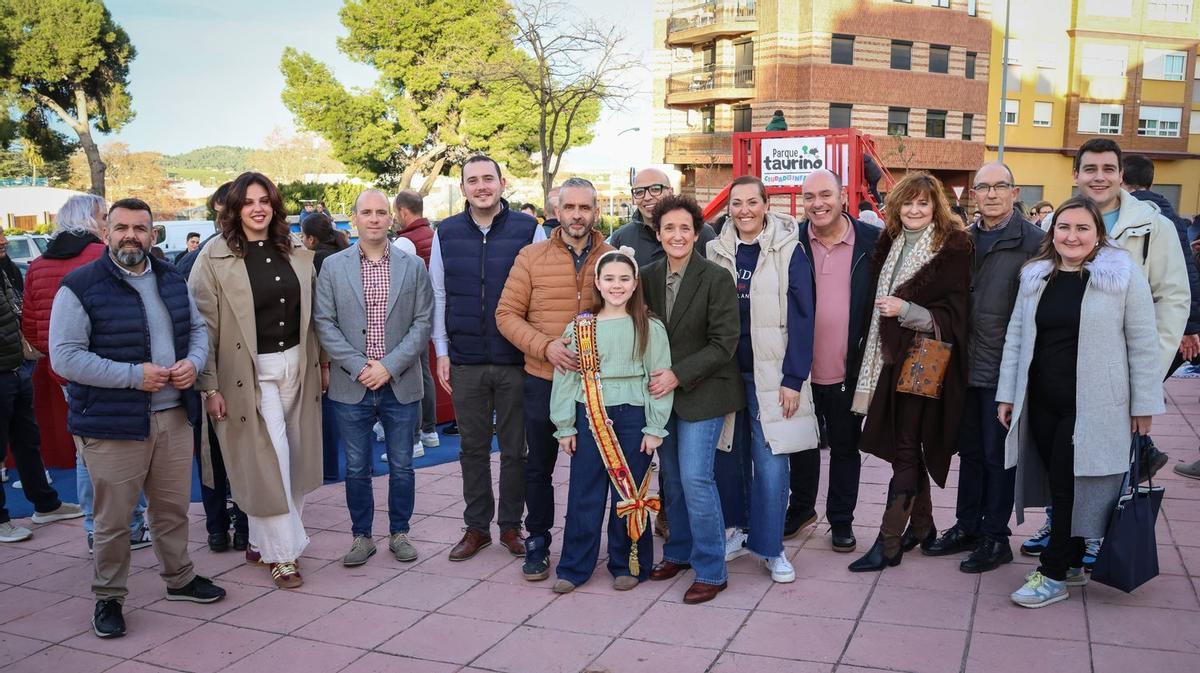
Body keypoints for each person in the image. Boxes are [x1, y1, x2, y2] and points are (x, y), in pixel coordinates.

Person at [50, 197, 224, 637]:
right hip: (112, 424)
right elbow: (65, 358)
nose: (131, 235)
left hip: (172, 417)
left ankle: (180, 579)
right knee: (114, 521)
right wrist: (133, 376)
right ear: (105, 232)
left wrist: (193, 362)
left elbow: (198, 331)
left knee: (172, 511)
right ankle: (108, 597)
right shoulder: (80, 286)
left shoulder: (171, 277)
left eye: (140, 228)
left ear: (153, 234)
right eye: (122, 227)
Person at [1021, 139, 1189, 562]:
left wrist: (1148, 376)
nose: (1099, 176)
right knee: (1064, 462)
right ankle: (1065, 528)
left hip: (1120, 368)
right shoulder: (1059, 223)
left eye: (1108, 168)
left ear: (1121, 174)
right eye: (1090, 168)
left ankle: (1090, 537)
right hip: (1063, 372)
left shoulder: (1154, 226)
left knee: (1105, 463)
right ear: (1076, 174)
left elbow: (1172, 299)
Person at [998, 196, 1162, 607]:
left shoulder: (1121, 276)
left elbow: (1143, 344)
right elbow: (1017, 337)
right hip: (1041, 402)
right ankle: (1071, 561)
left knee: (1071, 485)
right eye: (1064, 228)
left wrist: (1144, 406)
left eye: (1082, 228)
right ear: (1052, 233)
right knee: (1059, 485)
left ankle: (1052, 574)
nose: (1072, 236)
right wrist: (1007, 394)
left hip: (1095, 405)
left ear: (1097, 234)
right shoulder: (1035, 277)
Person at [189, 172, 324, 589]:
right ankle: (283, 555)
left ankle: (265, 542)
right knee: (271, 464)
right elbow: (202, 328)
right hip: (248, 376)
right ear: (234, 209)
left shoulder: (296, 248)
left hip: (297, 369)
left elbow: (313, 315)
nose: (258, 208)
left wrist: (322, 366)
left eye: (264, 200)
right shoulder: (212, 256)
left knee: (296, 461)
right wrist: (209, 387)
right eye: (248, 202)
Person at [922, 162, 1045, 573]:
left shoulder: (1034, 242)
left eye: (999, 186)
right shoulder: (963, 240)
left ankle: (996, 536)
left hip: (1003, 368)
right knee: (970, 452)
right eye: (983, 187)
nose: (991, 194)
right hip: (962, 367)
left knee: (997, 455)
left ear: (1014, 191)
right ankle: (967, 525)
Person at [849, 171, 971, 572]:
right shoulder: (890, 242)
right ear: (896, 207)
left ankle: (887, 544)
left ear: (936, 206)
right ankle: (922, 528)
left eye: (923, 203)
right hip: (887, 360)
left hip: (926, 361)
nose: (915, 210)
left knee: (905, 447)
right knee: (906, 446)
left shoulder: (954, 246)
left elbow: (957, 314)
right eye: (908, 203)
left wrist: (908, 312)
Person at [496, 176, 614, 581]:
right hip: (544, 378)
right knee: (539, 467)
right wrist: (545, 346)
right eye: (570, 207)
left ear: (595, 212)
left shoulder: (612, 257)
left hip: (597, 385)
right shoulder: (531, 257)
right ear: (556, 211)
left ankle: (587, 549)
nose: (577, 215)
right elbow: (506, 315)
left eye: (585, 208)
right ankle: (538, 542)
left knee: (595, 470)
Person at [21, 194, 149, 552]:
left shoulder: (37, 265)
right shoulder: (102, 258)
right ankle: (132, 524)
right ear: (94, 222)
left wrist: (60, 359)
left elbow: (31, 325)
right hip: (114, 368)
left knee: (86, 448)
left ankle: (95, 528)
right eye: (105, 216)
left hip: (65, 372)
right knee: (126, 445)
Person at [315, 189, 432, 568]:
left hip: (399, 382)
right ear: (354, 218)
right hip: (353, 384)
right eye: (366, 212)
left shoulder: (411, 266)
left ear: (391, 218)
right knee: (355, 467)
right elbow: (324, 324)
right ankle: (361, 537)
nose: (375, 219)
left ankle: (400, 533)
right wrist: (360, 366)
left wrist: (388, 366)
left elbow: (422, 322)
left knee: (402, 465)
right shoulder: (333, 267)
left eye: (381, 212)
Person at [432, 157, 542, 562]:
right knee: (473, 450)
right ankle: (477, 528)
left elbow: (540, 294)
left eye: (488, 179)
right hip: (466, 360)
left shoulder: (529, 230)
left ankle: (511, 526)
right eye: (472, 180)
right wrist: (442, 352)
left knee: (516, 450)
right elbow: (438, 296)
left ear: (502, 183)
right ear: (462, 188)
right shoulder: (445, 232)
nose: (481, 187)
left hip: (517, 360)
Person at [708, 175, 816, 584]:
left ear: (766, 204)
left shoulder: (790, 249)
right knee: (728, 458)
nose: (744, 211)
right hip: (725, 374)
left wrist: (793, 377)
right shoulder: (714, 251)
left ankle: (772, 547)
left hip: (771, 374)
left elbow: (804, 318)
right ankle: (738, 529)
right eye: (736, 203)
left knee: (770, 460)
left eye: (752, 202)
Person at [549, 248, 672, 593]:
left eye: (624, 279)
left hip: (633, 416)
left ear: (635, 284)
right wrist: (564, 426)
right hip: (589, 415)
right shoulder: (580, 327)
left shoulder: (649, 327)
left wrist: (654, 427)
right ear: (598, 285)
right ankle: (574, 567)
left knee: (630, 493)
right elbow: (566, 378)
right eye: (609, 279)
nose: (616, 285)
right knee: (584, 492)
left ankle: (628, 562)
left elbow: (659, 378)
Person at [642, 194, 743, 603]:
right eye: (670, 228)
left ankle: (712, 569)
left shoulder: (717, 277)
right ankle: (679, 551)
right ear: (658, 232)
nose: (678, 235)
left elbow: (725, 343)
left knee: (696, 478)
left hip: (704, 391)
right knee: (672, 481)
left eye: (685, 228)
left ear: (697, 233)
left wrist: (678, 375)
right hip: (660, 399)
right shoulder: (645, 276)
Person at [786, 170, 881, 552]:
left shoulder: (873, 241)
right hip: (800, 370)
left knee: (845, 447)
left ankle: (841, 520)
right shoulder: (790, 241)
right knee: (802, 446)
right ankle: (802, 509)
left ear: (842, 196)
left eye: (825, 194)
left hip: (849, 367)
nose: (817, 203)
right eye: (809, 196)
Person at [393, 190, 440, 453]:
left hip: (410, 316)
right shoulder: (434, 236)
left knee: (409, 376)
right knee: (424, 373)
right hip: (430, 311)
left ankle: (414, 439)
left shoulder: (404, 243)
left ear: (402, 211)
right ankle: (429, 430)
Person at [609, 168, 717, 267]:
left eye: (655, 189)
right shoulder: (621, 238)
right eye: (639, 192)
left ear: (671, 191)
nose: (647, 197)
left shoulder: (702, 233)